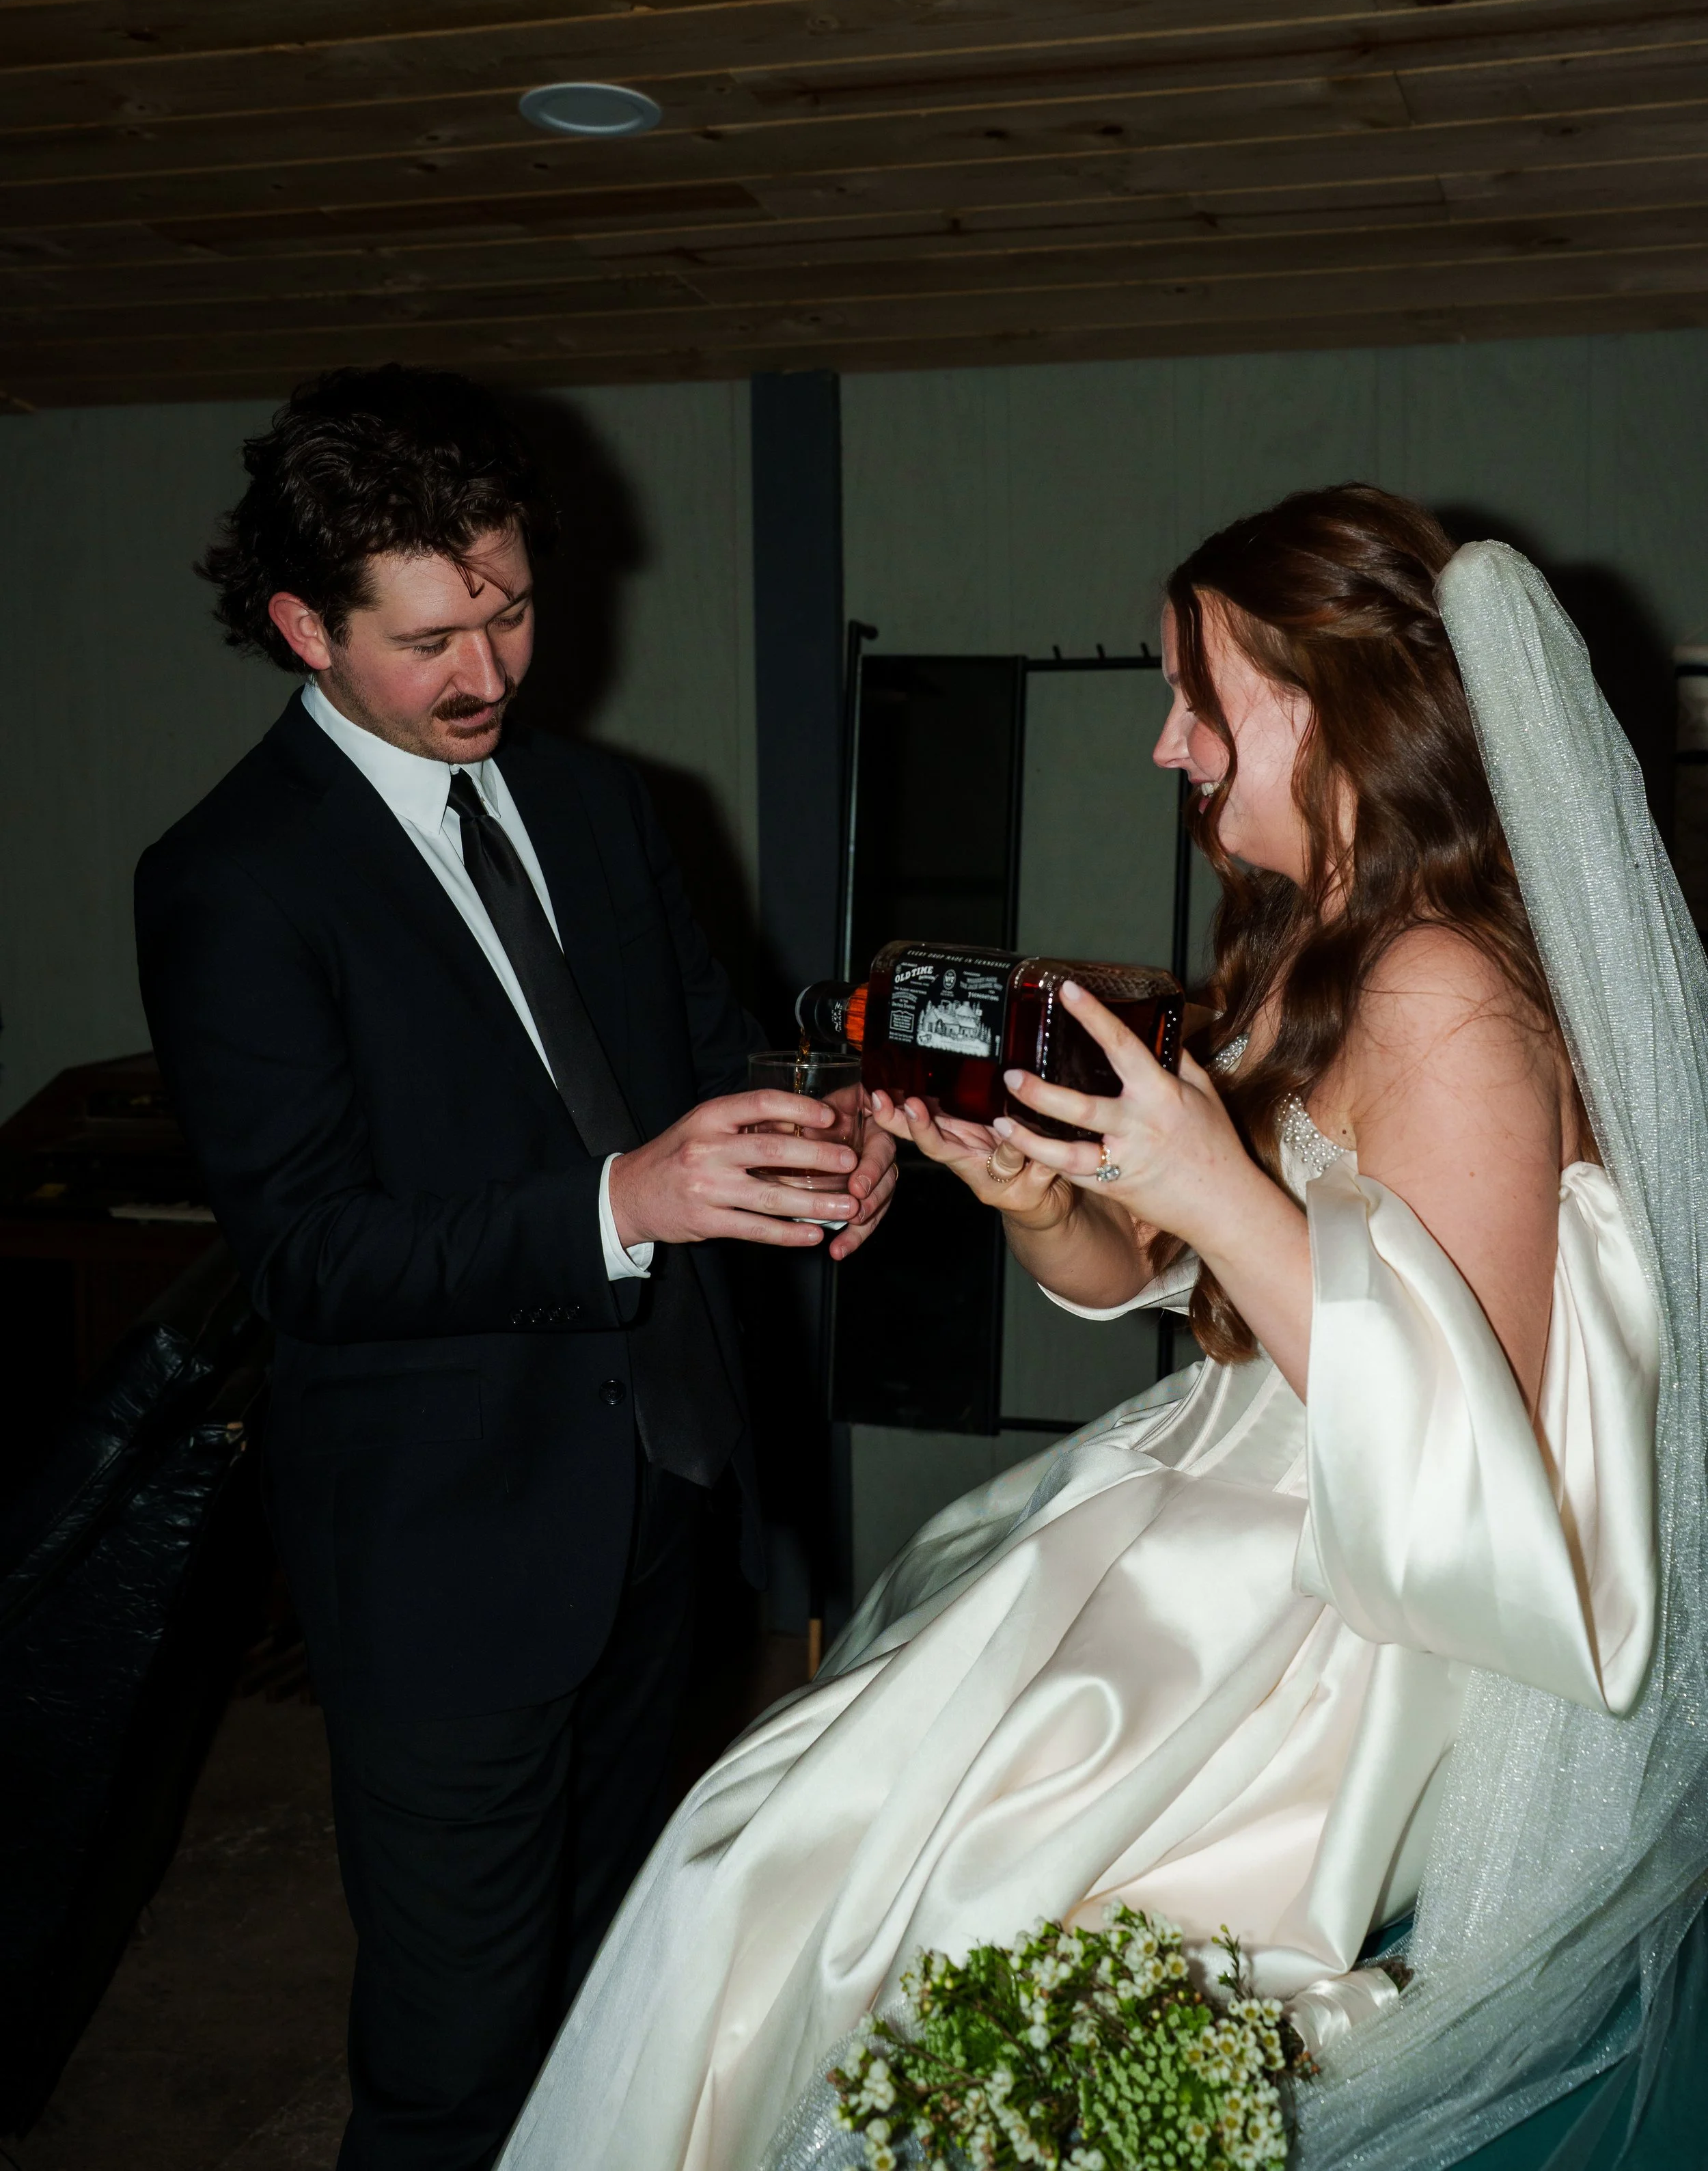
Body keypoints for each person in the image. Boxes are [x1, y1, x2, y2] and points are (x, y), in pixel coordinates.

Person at [492, 484, 1708, 2171]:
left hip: (1354, 1588)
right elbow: (1153, 1275)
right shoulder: (1303, 940)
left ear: (1322, 697)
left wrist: (1205, 1185)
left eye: (1195, 698)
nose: (1164, 745)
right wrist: (1037, 1195)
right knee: (759, 1833)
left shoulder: (1447, 992)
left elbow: (1468, 1455)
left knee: (863, 1880)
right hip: (1207, 1481)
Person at [133, 365, 897, 2171]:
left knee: (622, 1988)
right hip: (445, 1552)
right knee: (452, 2055)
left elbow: (706, 1047)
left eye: (514, 609)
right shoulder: (230, 879)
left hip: (658, 1488)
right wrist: (621, 1197)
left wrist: (820, 1135)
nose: (489, 672)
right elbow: (308, 1254)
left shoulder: (608, 803)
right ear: (300, 623)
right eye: (428, 641)